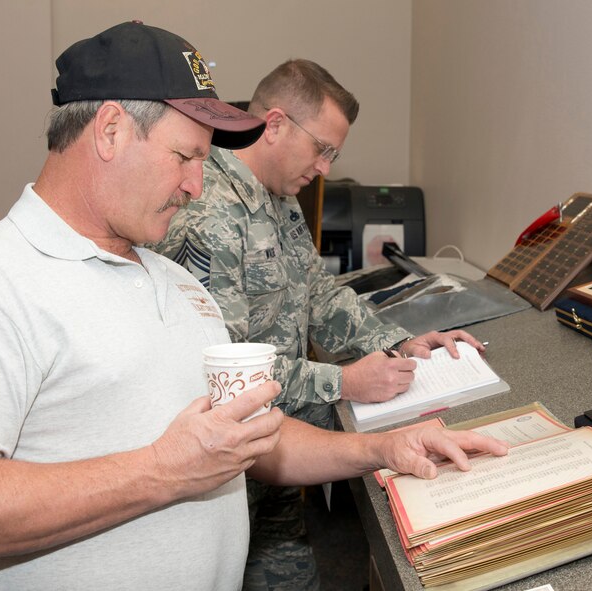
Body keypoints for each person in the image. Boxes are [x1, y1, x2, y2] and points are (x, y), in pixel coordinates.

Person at [0, 22, 508, 591]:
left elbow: (246, 439)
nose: (198, 186)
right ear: (111, 129)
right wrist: (164, 470)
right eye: (185, 157)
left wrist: (383, 449)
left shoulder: (177, 284)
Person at [150, 59, 486, 589]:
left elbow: (319, 294)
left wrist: (398, 343)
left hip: (285, 453)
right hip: (220, 475)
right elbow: (223, 367)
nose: (325, 168)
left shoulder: (279, 199)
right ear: (276, 124)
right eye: (322, 149)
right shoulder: (207, 214)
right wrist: (344, 381)